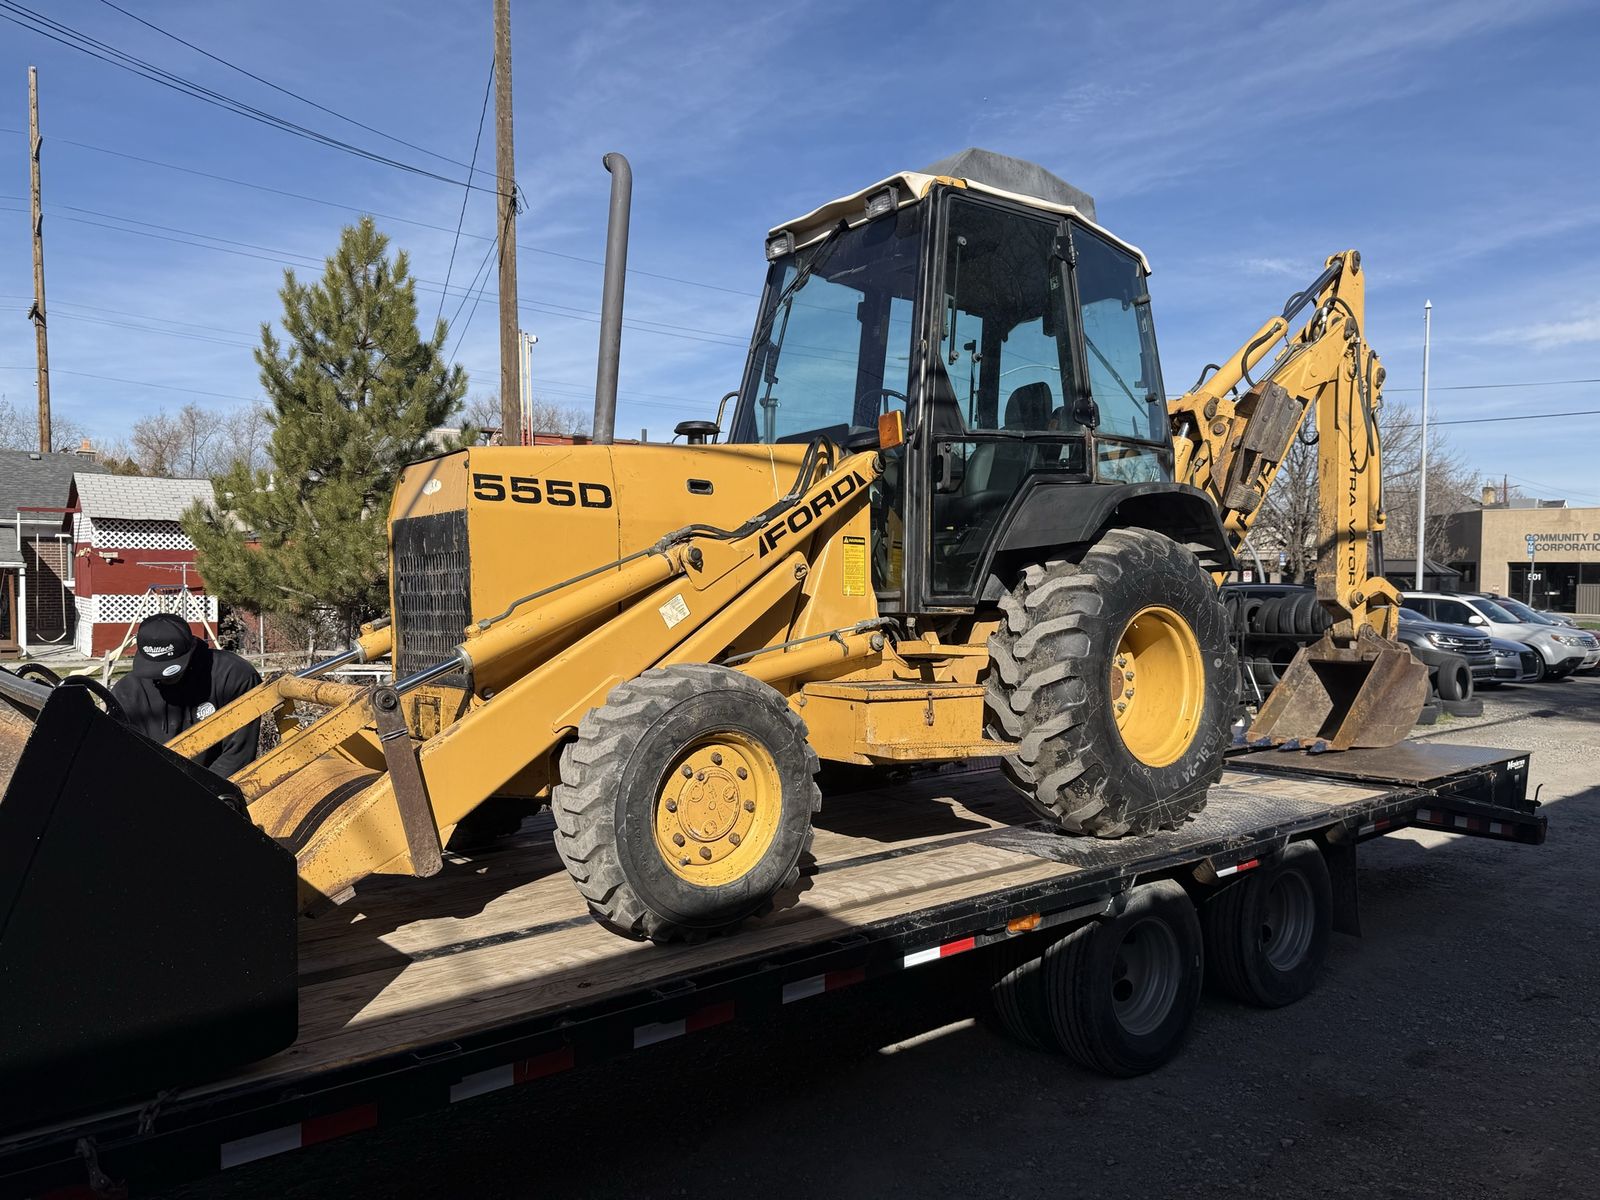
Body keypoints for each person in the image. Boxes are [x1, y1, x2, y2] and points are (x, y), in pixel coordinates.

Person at [110, 613, 262, 779]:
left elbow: (237, 752)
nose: (163, 679)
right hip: (156, 788)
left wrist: (203, 796)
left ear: (192, 649)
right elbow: (126, 758)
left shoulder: (232, 676)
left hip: (217, 789)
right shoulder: (127, 693)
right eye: (155, 672)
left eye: (170, 672)